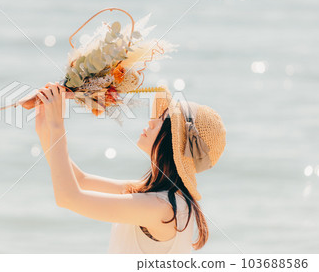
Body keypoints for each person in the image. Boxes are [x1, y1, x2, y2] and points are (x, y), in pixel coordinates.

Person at [34, 82, 226, 253]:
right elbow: (81, 181)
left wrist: (57, 125)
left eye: (163, 119)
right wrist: (44, 128)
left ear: (174, 142)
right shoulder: (161, 194)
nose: (152, 120)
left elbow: (69, 198)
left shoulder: (163, 208)